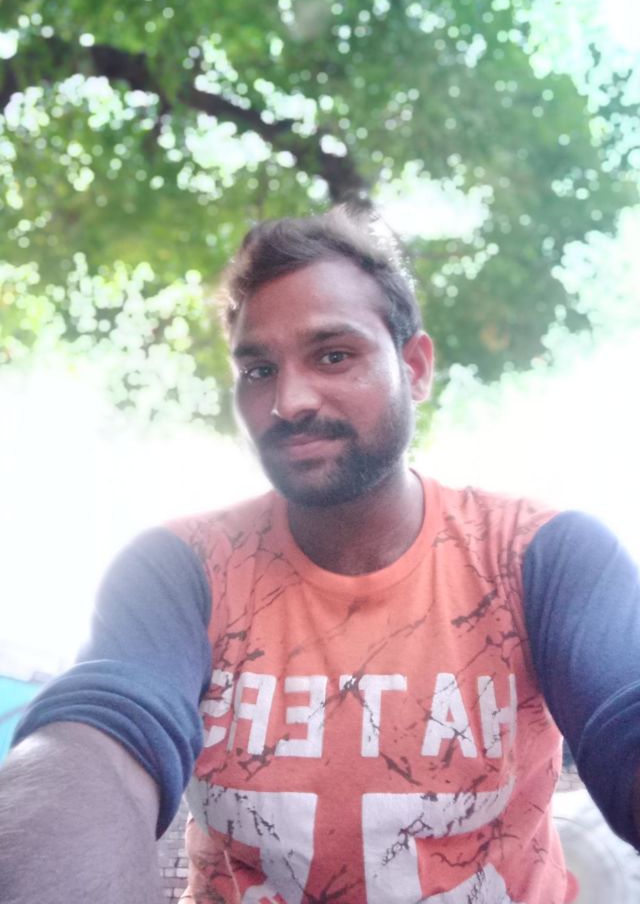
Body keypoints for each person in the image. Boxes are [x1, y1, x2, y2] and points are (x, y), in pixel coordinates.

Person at [1, 205, 640, 904]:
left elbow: (624, 714)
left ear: (414, 367)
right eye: (259, 369)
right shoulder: (181, 569)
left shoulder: (539, 555)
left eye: (333, 355)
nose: (289, 401)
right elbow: (100, 738)